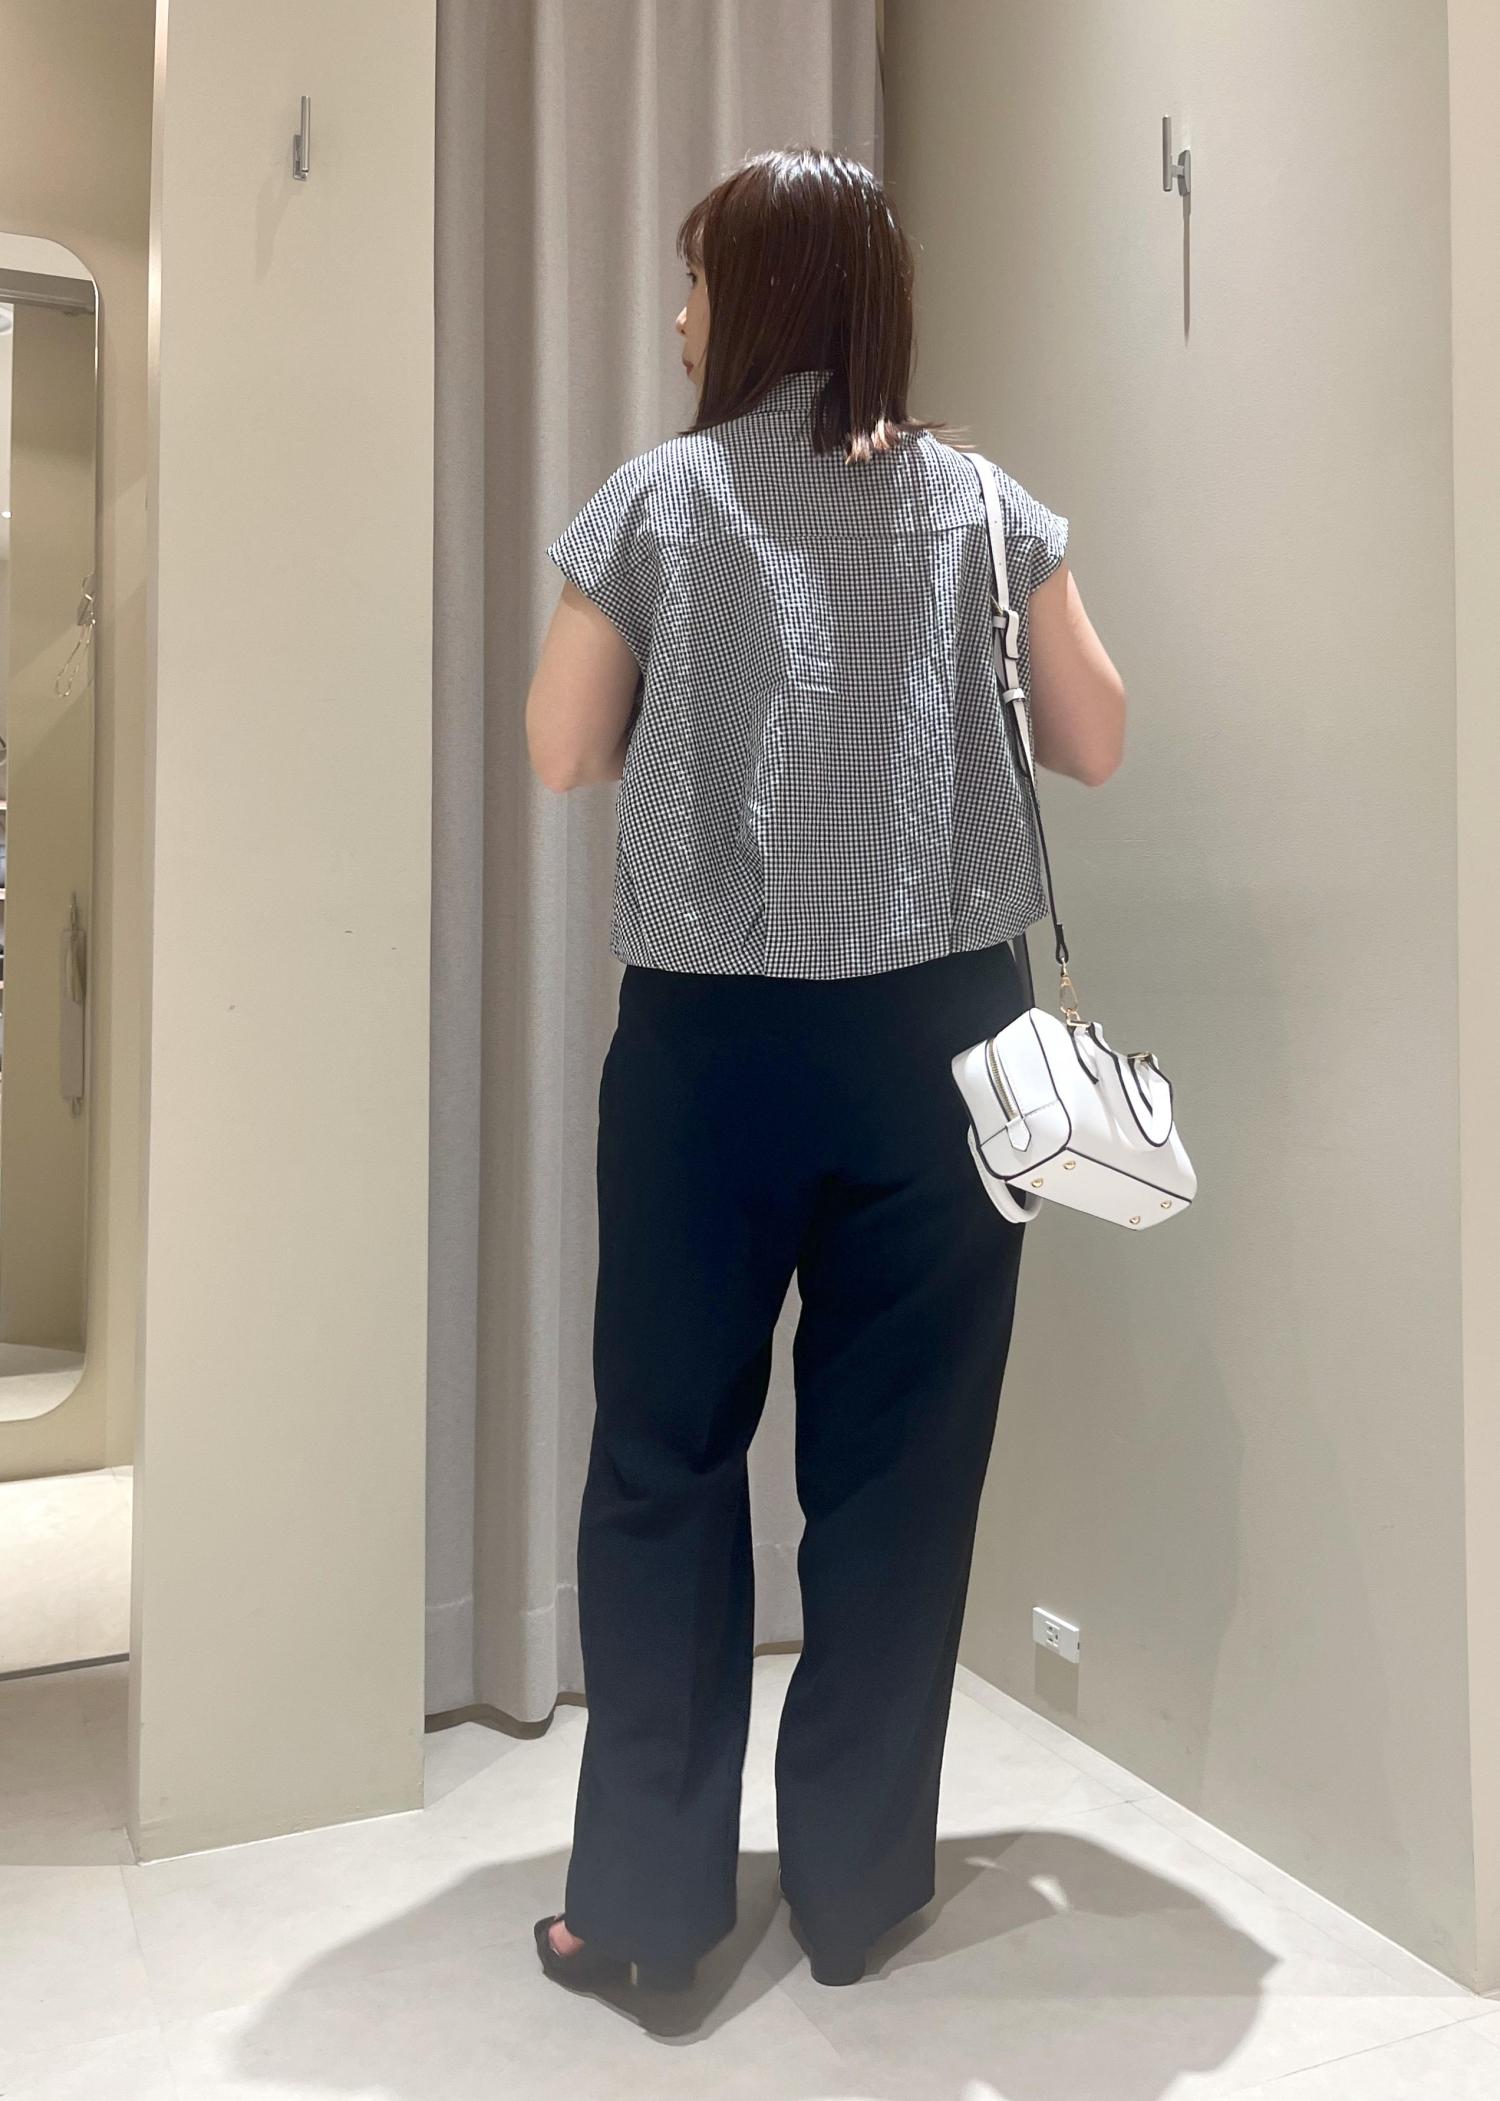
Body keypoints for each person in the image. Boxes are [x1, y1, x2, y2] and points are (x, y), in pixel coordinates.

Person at [524, 147, 1126, 2002]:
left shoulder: (659, 501)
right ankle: (858, 1894)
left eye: (699, 280)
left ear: (764, 298)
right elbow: (1098, 736)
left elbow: (561, 747)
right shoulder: (981, 505)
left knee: (664, 1461)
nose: (680, 314)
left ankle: (646, 1912)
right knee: (901, 1478)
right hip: (946, 1053)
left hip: (712, 1046)